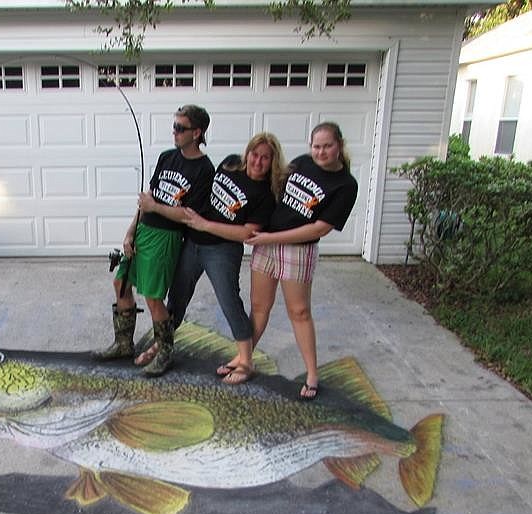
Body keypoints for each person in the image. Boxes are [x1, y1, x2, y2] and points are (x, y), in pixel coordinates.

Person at [150, 132, 284, 385]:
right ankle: (162, 345)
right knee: (177, 297)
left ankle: (246, 362)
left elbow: (246, 233)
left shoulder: (265, 194)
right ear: (247, 153)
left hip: (222, 250)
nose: (258, 161)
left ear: (272, 162)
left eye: (265, 158)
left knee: (229, 302)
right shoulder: (230, 163)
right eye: (255, 154)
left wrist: (205, 225)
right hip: (192, 243)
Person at [92, 105, 215, 377]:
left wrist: (154, 207)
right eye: (174, 126)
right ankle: (124, 344)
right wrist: (129, 232)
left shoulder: (204, 169)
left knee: (153, 297)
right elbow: (148, 198)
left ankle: (165, 352)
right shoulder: (167, 157)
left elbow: (188, 215)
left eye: (180, 128)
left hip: (166, 237)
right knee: (120, 282)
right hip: (144, 230)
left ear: (197, 132)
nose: (174, 132)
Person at [244, 121, 358, 401]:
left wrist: (270, 239)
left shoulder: (345, 185)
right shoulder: (301, 163)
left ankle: (311, 374)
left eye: (327, 146)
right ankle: (244, 359)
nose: (320, 152)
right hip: (267, 243)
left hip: (297, 250)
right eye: (316, 146)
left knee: (300, 312)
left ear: (339, 146)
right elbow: (272, 191)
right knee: (259, 307)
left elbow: (319, 228)